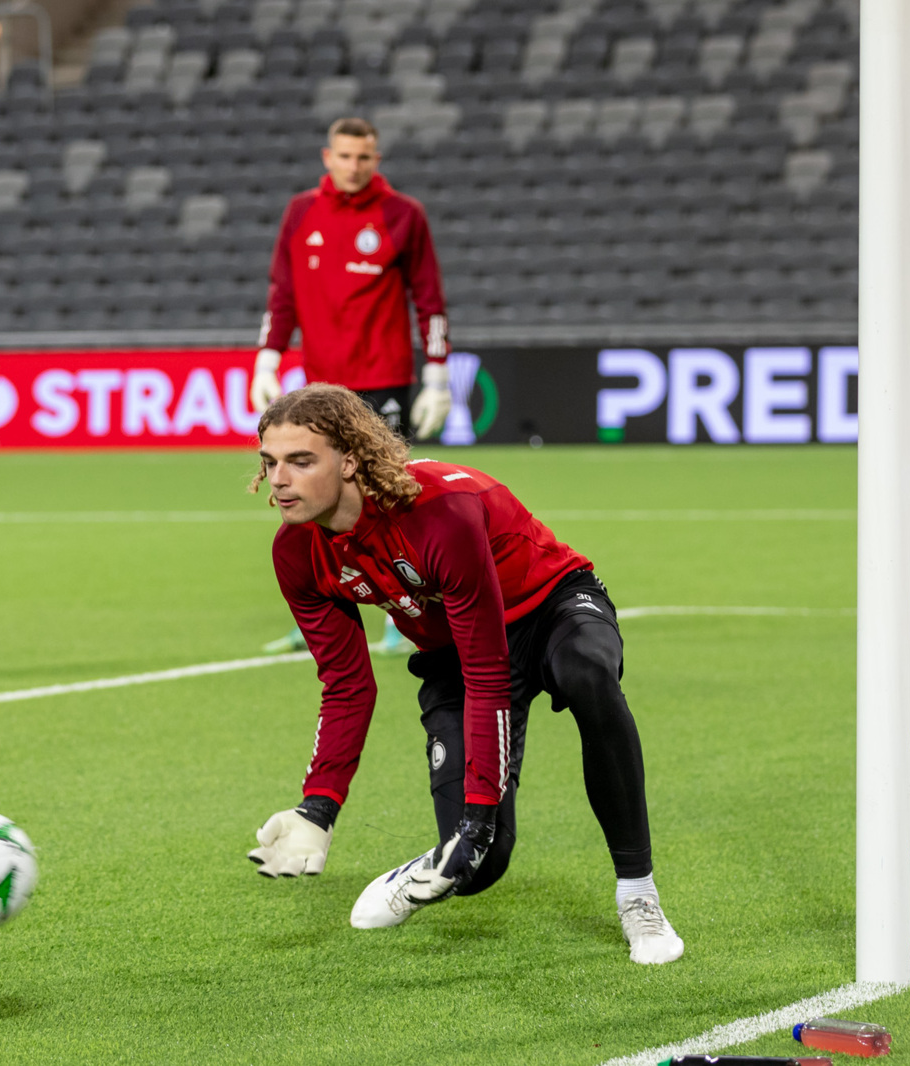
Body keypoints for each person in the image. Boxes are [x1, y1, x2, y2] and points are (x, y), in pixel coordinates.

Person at [243, 385, 684, 966]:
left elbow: (489, 670)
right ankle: (432, 863)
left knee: (588, 675)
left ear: (349, 460)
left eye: (301, 461)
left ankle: (638, 894)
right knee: (478, 869)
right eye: (270, 462)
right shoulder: (296, 553)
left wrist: (477, 818)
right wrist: (317, 809)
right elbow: (348, 684)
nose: (279, 479)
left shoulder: (436, 514)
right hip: (456, 648)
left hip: (548, 608)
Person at [252, 116, 452, 656]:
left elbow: (429, 298)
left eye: (364, 157)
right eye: (344, 156)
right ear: (327, 157)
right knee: (311, 494)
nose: (353, 167)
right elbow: (282, 292)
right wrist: (267, 356)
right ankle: (316, 613)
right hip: (320, 386)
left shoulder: (402, 215)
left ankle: (402, 616)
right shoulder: (301, 212)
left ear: (376, 159)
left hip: (384, 375)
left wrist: (437, 372)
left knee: (385, 494)